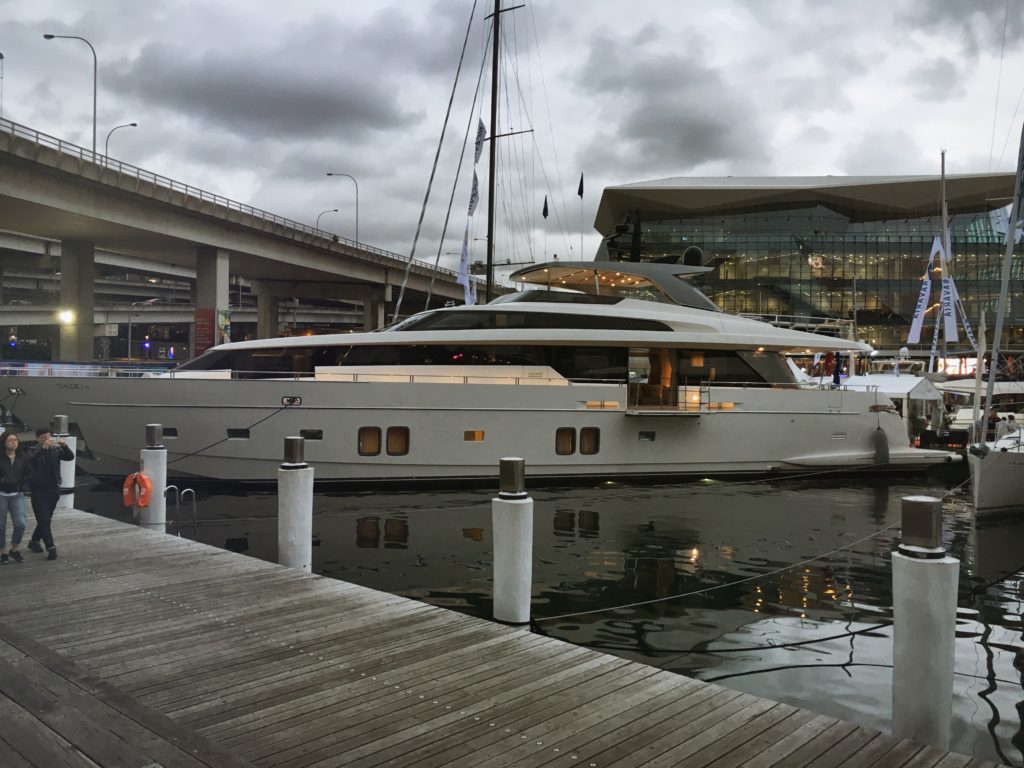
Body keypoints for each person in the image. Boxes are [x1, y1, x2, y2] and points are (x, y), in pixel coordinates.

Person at [27, 427, 74, 561]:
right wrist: (42, 449)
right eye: (43, 438)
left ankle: (34, 541)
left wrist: (65, 446)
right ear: (38, 438)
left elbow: (70, 457)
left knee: (45, 518)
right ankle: (51, 547)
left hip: (53, 488)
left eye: (48, 437)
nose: (46, 440)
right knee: (44, 519)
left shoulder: (55, 449)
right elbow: (31, 463)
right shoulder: (32, 450)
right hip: (38, 490)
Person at [0, 430, 31, 564]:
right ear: (4, 443)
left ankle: (14, 549)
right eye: (10, 440)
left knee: (21, 523)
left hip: (17, 494)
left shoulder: (23, 457)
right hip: (1, 494)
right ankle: (2, 552)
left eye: (16, 440)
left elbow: (30, 473)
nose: (14, 442)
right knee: (0, 526)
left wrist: (22, 482)